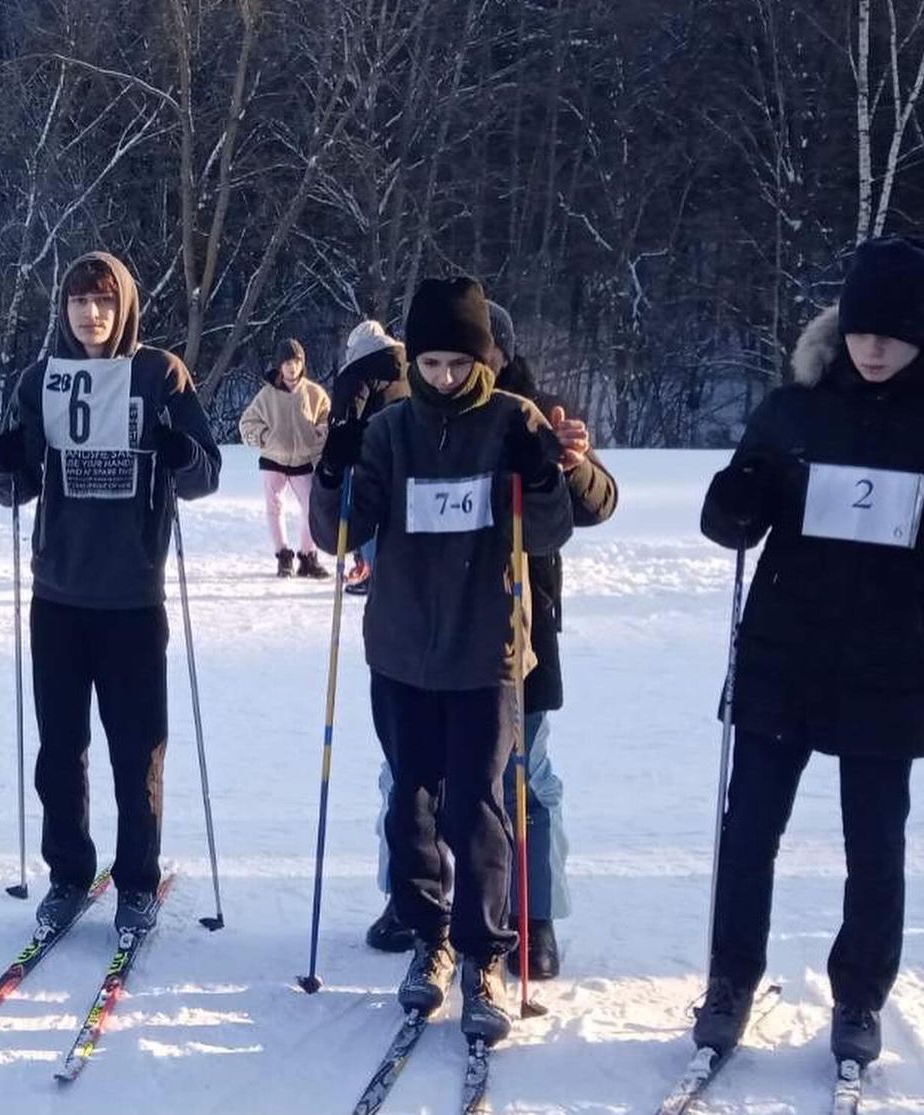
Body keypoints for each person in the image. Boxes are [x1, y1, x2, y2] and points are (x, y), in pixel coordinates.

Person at [694, 235, 924, 1069]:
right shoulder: (796, 404)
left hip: (890, 658)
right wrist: (736, 499)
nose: (873, 349)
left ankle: (860, 995)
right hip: (782, 646)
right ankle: (730, 978)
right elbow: (730, 514)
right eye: (863, 331)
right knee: (748, 826)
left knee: (875, 838)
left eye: (893, 336)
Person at [310, 277, 573, 1046]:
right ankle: (432, 938)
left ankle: (485, 954)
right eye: (431, 362)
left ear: (481, 358)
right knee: (411, 805)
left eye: (459, 362)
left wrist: (546, 470)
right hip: (399, 650)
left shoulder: (510, 419)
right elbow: (340, 533)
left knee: (477, 807)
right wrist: (335, 467)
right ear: (414, 360)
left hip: (486, 652)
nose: (446, 377)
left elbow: (550, 530)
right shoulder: (393, 430)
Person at [364, 301, 619, 980]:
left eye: (474, 354)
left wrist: (568, 466)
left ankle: (531, 913)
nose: (453, 371)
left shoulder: (531, 414)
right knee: (409, 778)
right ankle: (416, 906)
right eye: (438, 357)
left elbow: (592, 504)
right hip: (424, 634)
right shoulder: (409, 415)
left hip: (515, 627)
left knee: (521, 780)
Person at [0, 251, 221, 934]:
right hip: (58, 595)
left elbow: (205, 473)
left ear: (126, 308)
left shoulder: (158, 374)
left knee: (136, 750)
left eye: (105, 301)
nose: (92, 313)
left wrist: (179, 452)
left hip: (131, 599)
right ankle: (67, 873)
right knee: (60, 749)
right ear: (63, 309)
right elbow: (14, 485)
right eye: (80, 301)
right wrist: (5, 463)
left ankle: (136, 881)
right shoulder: (40, 380)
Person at [327, 320, 409, 595]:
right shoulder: (408, 362)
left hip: (371, 448)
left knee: (368, 515)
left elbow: (345, 415)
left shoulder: (357, 370)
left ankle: (373, 573)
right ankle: (390, 572)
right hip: (409, 447)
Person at [238, 338, 330, 578]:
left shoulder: (314, 393)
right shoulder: (266, 395)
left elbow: (327, 417)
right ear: (279, 365)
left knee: (312, 507)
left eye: (296, 361)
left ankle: (308, 557)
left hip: (303, 460)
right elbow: (247, 423)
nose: (291, 367)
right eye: (287, 362)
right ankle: (283, 556)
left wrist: (321, 432)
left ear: (303, 364)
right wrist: (265, 436)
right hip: (273, 460)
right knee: (275, 507)